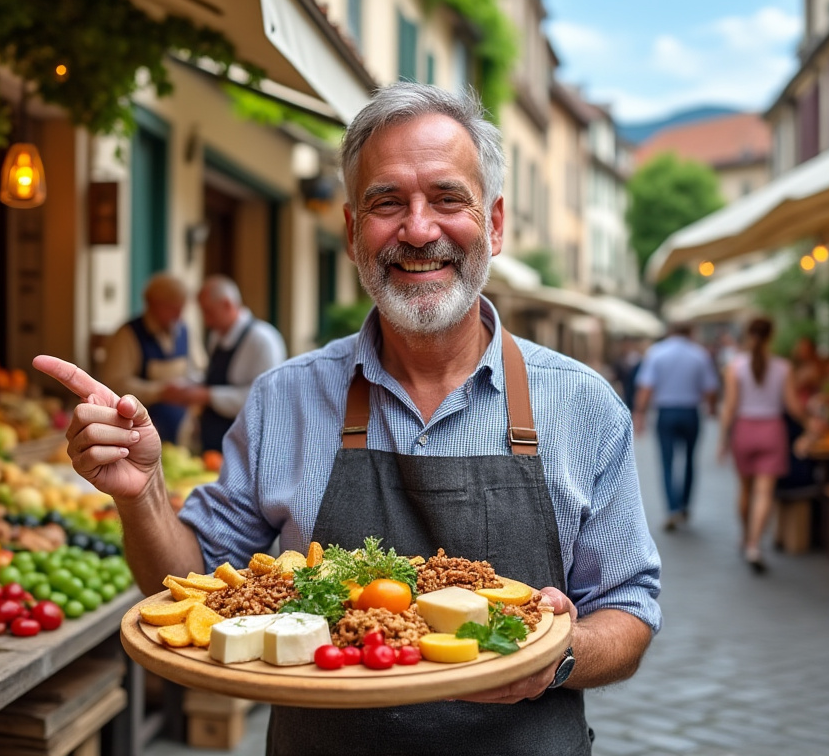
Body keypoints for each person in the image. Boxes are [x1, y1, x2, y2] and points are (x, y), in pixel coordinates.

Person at [34, 82, 659, 755]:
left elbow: (627, 610)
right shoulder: (285, 399)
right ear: (353, 231)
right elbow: (183, 587)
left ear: (495, 223)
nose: (419, 230)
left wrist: (558, 659)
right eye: (387, 202)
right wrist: (143, 494)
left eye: (448, 199)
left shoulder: (583, 404)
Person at [718, 318, 803, 573]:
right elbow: (792, 405)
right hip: (772, 430)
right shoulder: (783, 367)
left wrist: (723, 438)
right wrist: (810, 423)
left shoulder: (735, 366)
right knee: (764, 492)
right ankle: (755, 545)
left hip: (744, 429)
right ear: (772, 336)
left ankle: (745, 537)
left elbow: (730, 406)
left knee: (745, 489)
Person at [170, 275, 287, 453]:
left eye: (209, 312)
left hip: (248, 446)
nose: (207, 321)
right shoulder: (217, 336)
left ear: (227, 304)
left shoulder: (263, 340)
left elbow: (264, 398)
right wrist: (189, 387)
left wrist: (206, 396)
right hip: (214, 442)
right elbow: (213, 378)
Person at [635, 323, 720, 531]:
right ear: (690, 332)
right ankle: (684, 506)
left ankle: (672, 508)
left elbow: (646, 387)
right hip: (690, 412)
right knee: (690, 460)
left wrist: (640, 414)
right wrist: (710, 408)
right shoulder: (699, 354)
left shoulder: (656, 352)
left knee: (667, 461)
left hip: (666, 412)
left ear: (670, 332)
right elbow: (710, 388)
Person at [98, 273, 193, 444]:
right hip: (141, 430)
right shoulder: (129, 335)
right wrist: (160, 392)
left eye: (181, 308)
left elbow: (196, 368)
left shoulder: (183, 330)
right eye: (173, 308)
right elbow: (114, 382)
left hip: (182, 427)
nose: (179, 315)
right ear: (154, 304)